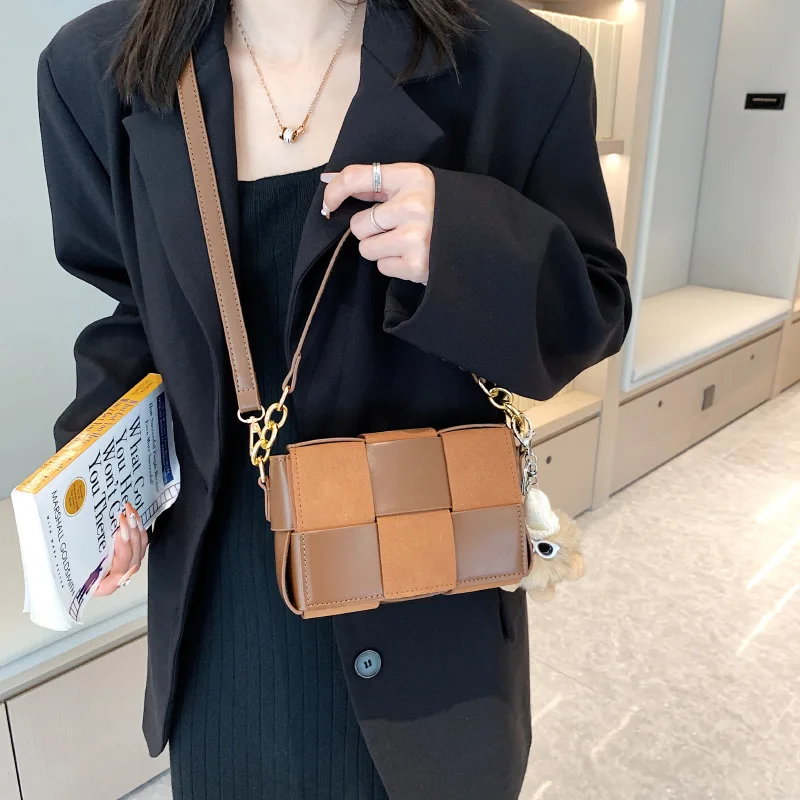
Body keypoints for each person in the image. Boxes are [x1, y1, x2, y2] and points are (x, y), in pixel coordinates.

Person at [37, 0, 631, 796]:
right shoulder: (97, 68)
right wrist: (102, 471)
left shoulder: (521, 66)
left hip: (431, 613)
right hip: (227, 618)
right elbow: (135, 308)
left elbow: (590, 316)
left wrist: (463, 245)